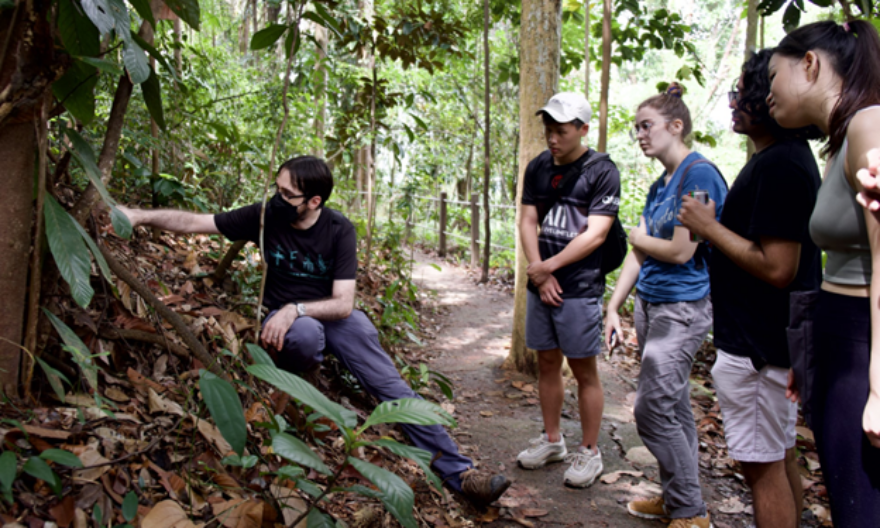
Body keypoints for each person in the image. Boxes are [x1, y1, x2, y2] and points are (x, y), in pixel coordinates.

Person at [119, 155, 511, 506]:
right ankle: (307, 382)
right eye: (276, 188)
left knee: (391, 386)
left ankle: (461, 474)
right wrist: (137, 215)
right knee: (306, 337)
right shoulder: (267, 215)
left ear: (313, 201)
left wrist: (295, 308)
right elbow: (195, 223)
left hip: (331, 315)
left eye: (287, 193)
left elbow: (344, 303)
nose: (277, 198)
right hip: (292, 324)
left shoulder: (339, 230)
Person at [678, 50, 824, 528]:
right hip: (767, 342)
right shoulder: (778, 160)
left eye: (744, 91)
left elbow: (780, 267)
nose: (735, 102)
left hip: (761, 345)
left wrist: (708, 226)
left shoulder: (781, 165)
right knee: (779, 457)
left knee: (762, 470)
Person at [764, 20, 880, 527]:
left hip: (862, 344)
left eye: (773, 77)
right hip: (837, 334)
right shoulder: (838, 142)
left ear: (809, 64)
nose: (767, 93)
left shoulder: (868, 124)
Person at [604, 83, 727, 528]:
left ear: (676, 127)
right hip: (650, 304)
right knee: (672, 405)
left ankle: (691, 512)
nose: (639, 134)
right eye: (636, 127)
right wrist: (614, 307)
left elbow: (680, 252)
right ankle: (680, 499)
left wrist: (638, 236)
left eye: (647, 125)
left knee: (651, 409)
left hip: (682, 309)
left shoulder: (701, 175)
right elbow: (638, 252)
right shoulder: (661, 184)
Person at [516, 92, 620, 488]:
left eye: (561, 131)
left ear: (583, 130)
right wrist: (539, 273)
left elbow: (597, 234)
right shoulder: (539, 167)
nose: (552, 138)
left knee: (583, 369)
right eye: (548, 130)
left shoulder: (601, 171)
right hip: (542, 282)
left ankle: (590, 452)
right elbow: (528, 220)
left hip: (578, 286)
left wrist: (549, 268)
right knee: (545, 361)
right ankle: (552, 439)